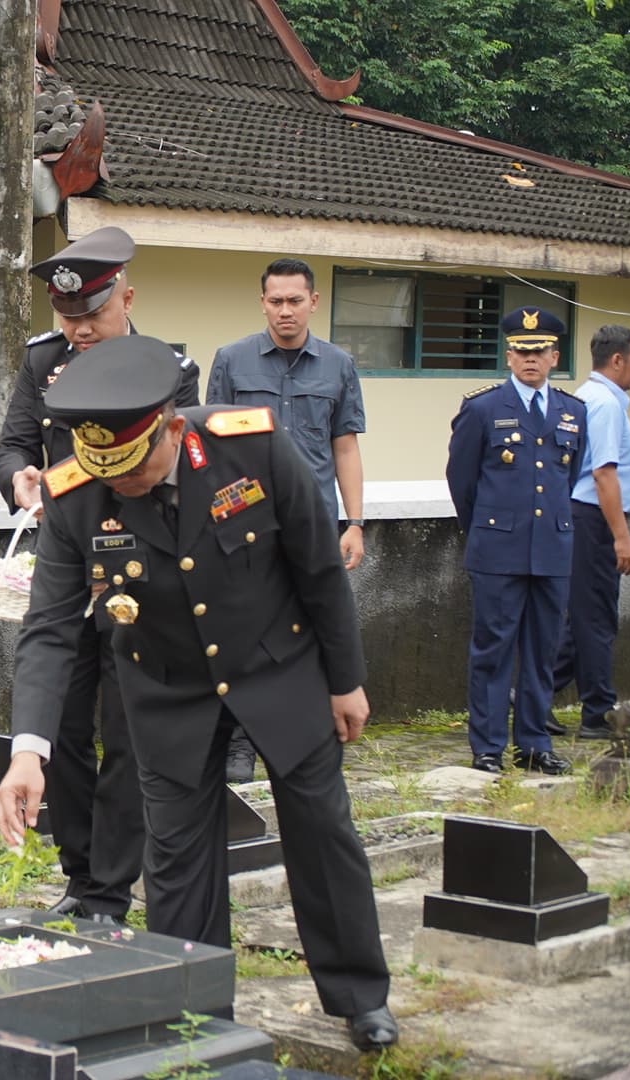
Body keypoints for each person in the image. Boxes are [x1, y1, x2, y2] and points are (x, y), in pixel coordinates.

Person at [0, 335, 397, 1053]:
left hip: (280, 671)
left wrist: (346, 681)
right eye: (106, 471)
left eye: (136, 467)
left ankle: (360, 996)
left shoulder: (254, 448)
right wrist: (29, 751)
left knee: (323, 835)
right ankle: (199, 1019)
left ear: (173, 427)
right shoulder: (79, 492)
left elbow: (318, 570)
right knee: (178, 866)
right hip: (167, 690)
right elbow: (50, 629)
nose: (124, 486)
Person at [0, 225, 199, 923]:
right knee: (62, 730)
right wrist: (19, 476)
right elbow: (13, 441)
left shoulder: (171, 368)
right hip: (64, 568)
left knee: (127, 732)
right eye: (67, 317)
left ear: (126, 298)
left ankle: (111, 886)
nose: (78, 330)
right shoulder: (43, 361)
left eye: (93, 316)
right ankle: (81, 878)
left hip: (138, 577)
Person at [206, 257, 367, 782]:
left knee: (309, 632)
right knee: (241, 635)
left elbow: (344, 447)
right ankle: (237, 744)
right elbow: (209, 447)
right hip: (244, 525)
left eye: (295, 300)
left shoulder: (339, 366)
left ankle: (301, 736)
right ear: (263, 303)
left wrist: (356, 523)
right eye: (275, 301)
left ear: (313, 302)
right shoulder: (231, 360)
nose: (285, 311)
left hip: (314, 527)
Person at [446, 307, 586, 774]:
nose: (531, 359)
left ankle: (533, 742)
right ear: (509, 355)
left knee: (543, 650)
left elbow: (569, 476)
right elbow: (462, 481)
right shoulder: (483, 408)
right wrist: (488, 529)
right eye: (522, 351)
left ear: (554, 356)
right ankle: (487, 746)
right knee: (493, 650)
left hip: (551, 549)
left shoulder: (572, 411)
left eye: (540, 351)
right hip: (497, 551)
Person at [553, 325, 630, 739]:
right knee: (597, 618)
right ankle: (598, 713)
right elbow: (604, 473)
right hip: (593, 518)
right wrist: (622, 537)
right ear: (617, 360)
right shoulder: (604, 404)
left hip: (582, 515)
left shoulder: (588, 397)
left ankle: (535, 693)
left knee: (580, 618)